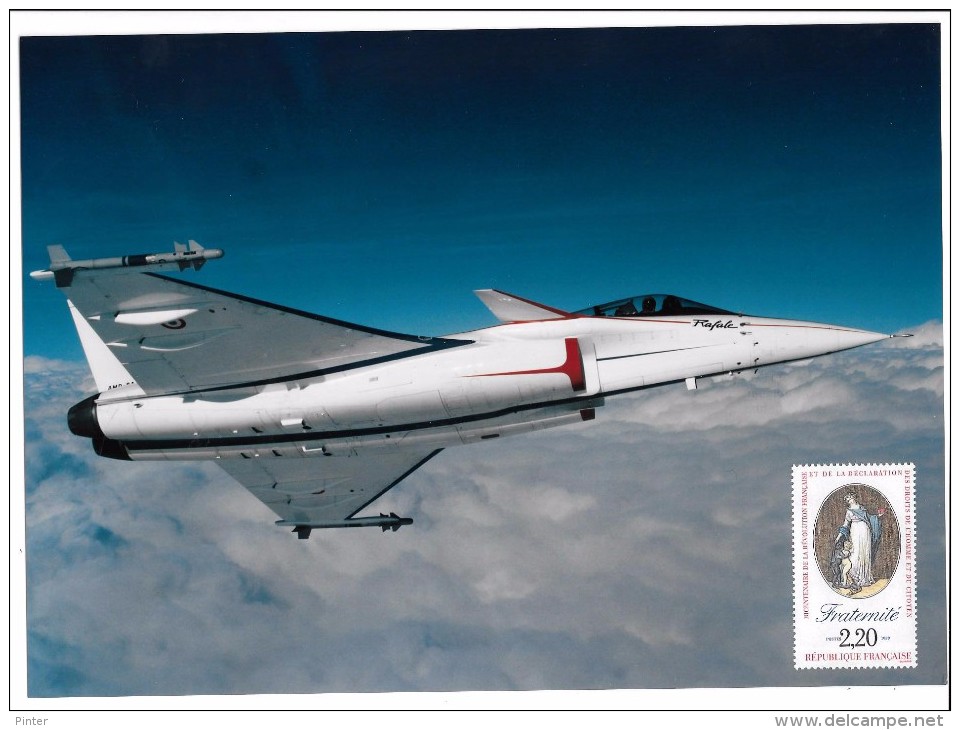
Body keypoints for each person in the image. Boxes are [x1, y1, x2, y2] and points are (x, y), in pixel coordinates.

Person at [835, 493, 882, 593]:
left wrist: (878, 516)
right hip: (855, 531)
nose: (850, 500)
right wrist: (839, 536)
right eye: (848, 499)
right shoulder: (848, 511)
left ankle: (863, 577)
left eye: (850, 498)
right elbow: (845, 525)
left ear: (854, 497)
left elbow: (870, 518)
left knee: (864, 553)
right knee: (855, 553)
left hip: (865, 531)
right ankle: (854, 577)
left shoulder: (862, 508)